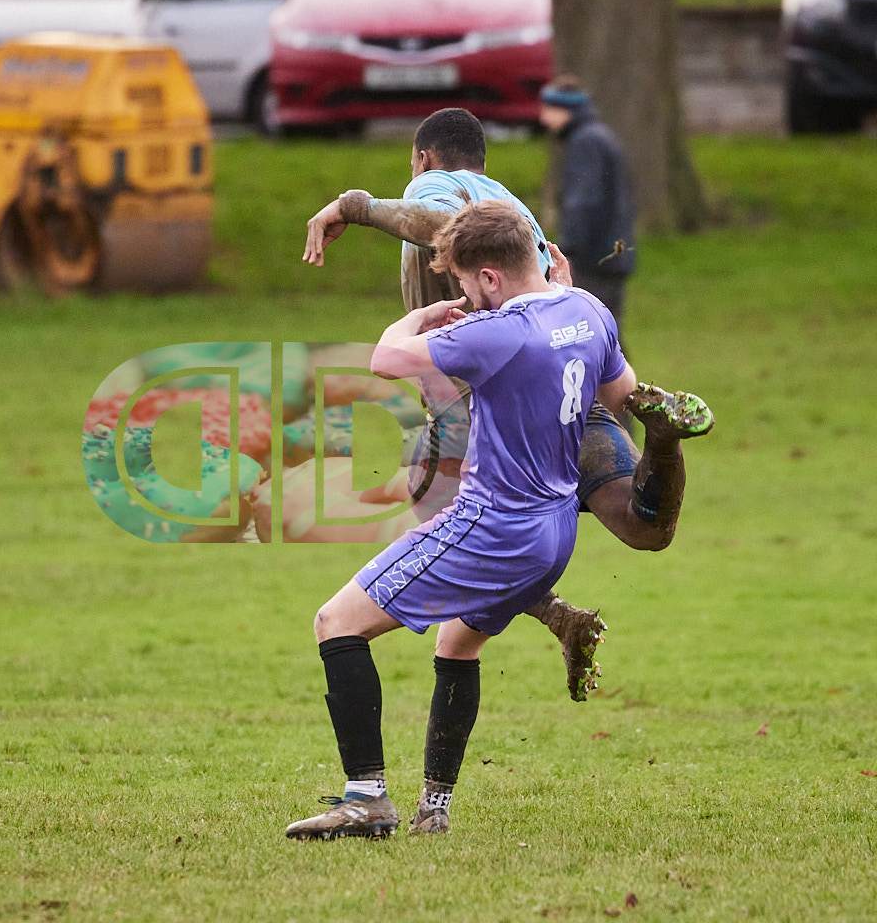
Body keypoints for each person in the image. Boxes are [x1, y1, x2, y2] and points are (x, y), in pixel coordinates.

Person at [284, 202, 713, 841]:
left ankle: (366, 800)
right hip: (556, 531)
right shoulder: (588, 310)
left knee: (335, 622)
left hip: (491, 526)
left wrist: (422, 317)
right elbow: (624, 398)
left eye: (464, 282)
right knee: (458, 642)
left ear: (489, 276)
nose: (465, 295)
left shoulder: (499, 331)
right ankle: (434, 808)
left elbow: (385, 359)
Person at [301, 108, 691, 706]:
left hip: (488, 403)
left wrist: (355, 207)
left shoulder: (435, 186)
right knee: (644, 527)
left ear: (422, 158)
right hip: (568, 389)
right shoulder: (511, 209)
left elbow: (438, 223)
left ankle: (555, 614)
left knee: (441, 509)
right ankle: (662, 443)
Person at [538, 76, 636, 328]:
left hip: (593, 260)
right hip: (609, 254)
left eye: (548, 109)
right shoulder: (597, 136)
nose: (543, 118)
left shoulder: (585, 142)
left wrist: (567, 250)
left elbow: (583, 201)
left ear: (565, 109)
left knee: (594, 330)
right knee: (605, 328)